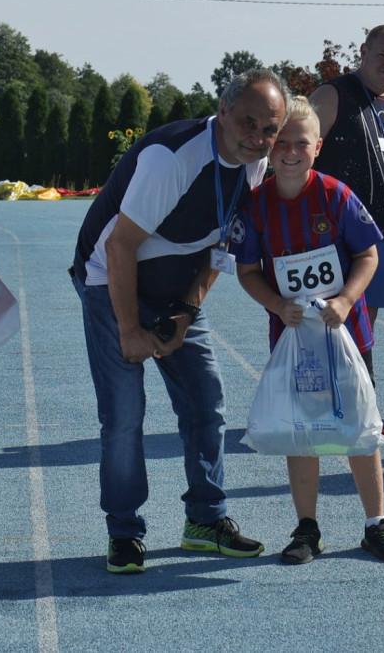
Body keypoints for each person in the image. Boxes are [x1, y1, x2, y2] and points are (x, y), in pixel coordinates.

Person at [72, 69, 288, 574]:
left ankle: (205, 521)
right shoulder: (172, 158)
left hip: (176, 285)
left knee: (206, 402)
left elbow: (220, 244)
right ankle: (124, 531)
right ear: (222, 109)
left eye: (269, 129)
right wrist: (131, 330)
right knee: (125, 415)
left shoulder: (254, 164)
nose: (257, 138)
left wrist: (187, 309)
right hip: (112, 281)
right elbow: (118, 246)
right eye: (247, 122)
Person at [232, 96, 384, 564]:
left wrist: (347, 300)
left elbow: (369, 254)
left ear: (318, 147)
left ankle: (376, 522)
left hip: (348, 336)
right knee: (302, 430)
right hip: (293, 339)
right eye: (281, 142)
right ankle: (307, 527)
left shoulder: (336, 195)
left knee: (359, 425)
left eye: (301, 143)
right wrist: (276, 303)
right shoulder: (254, 206)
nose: (290, 151)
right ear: (269, 146)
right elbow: (247, 271)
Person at [310, 25, 384, 381]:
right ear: (364, 52)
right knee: (325, 317)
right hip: (332, 232)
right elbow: (298, 149)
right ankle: (321, 394)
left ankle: (355, 392)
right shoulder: (333, 93)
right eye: (383, 55)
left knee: (366, 320)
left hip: (383, 230)